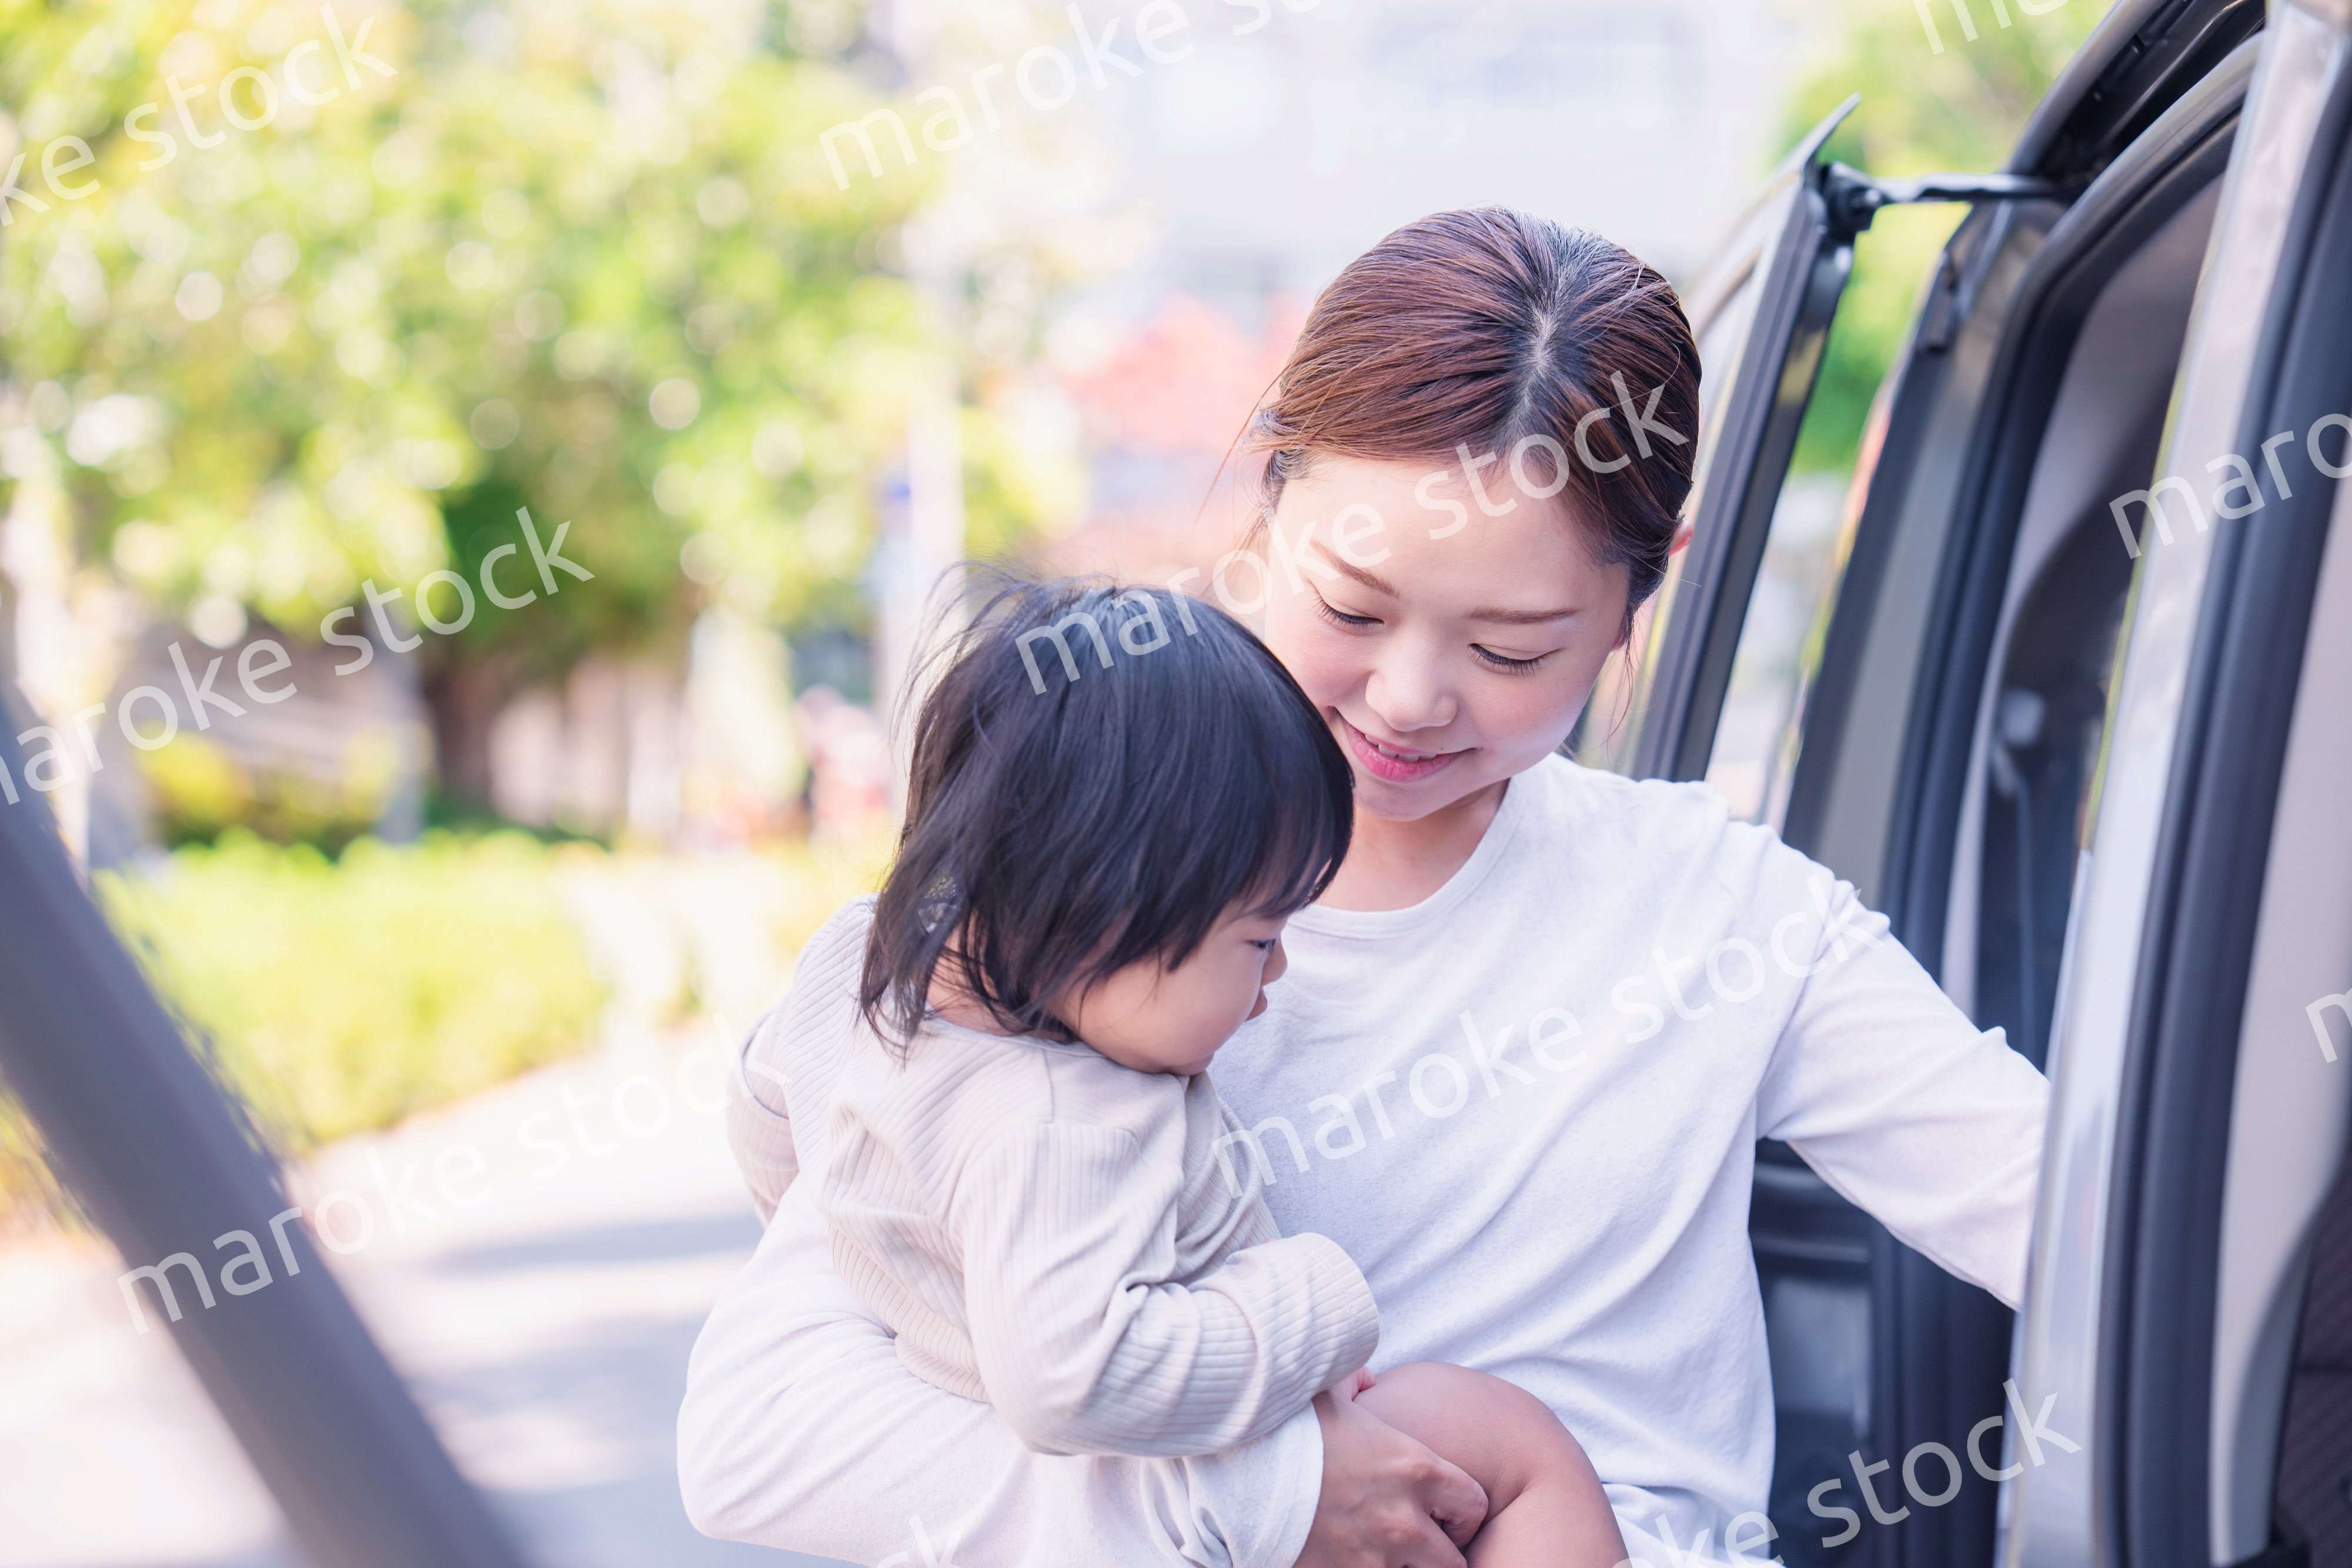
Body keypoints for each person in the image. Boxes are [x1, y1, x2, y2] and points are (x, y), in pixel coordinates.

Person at [679, 209, 2050, 1568]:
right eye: (1350, 606)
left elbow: (2084, 1216)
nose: (1407, 699)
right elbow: (761, 1433)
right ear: (1270, 495)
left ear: (1645, 597)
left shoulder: (1727, 919)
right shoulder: (1083, 898)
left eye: (1510, 649)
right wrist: (1270, 1504)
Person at [788, 574, 1625, 1566]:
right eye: (1260, 937)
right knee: (1509, 1443)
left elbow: (770, 1114)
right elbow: (1072, 1379)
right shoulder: (1065, 1119)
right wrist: (1315, 1299)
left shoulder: (856, 966)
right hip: (1187, 1468)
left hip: (1061, 1469)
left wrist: (875, 1245)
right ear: (1110, 913)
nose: (1279, 971)